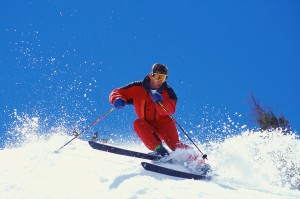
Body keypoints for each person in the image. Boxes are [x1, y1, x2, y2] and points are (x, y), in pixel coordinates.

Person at [109, 63, 189, 157]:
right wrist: (117, 99)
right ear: (151, 75)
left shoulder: (168, 92)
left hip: (165, 126)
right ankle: (160, 150)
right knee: (138, 123)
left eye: (163, 78)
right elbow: (117, 92)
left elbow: (171, 110)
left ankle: (198, 161)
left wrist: (160, 102)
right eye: (157, 76)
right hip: (148, 127)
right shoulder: (137, 88)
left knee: (176, 147)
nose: (160, 81)